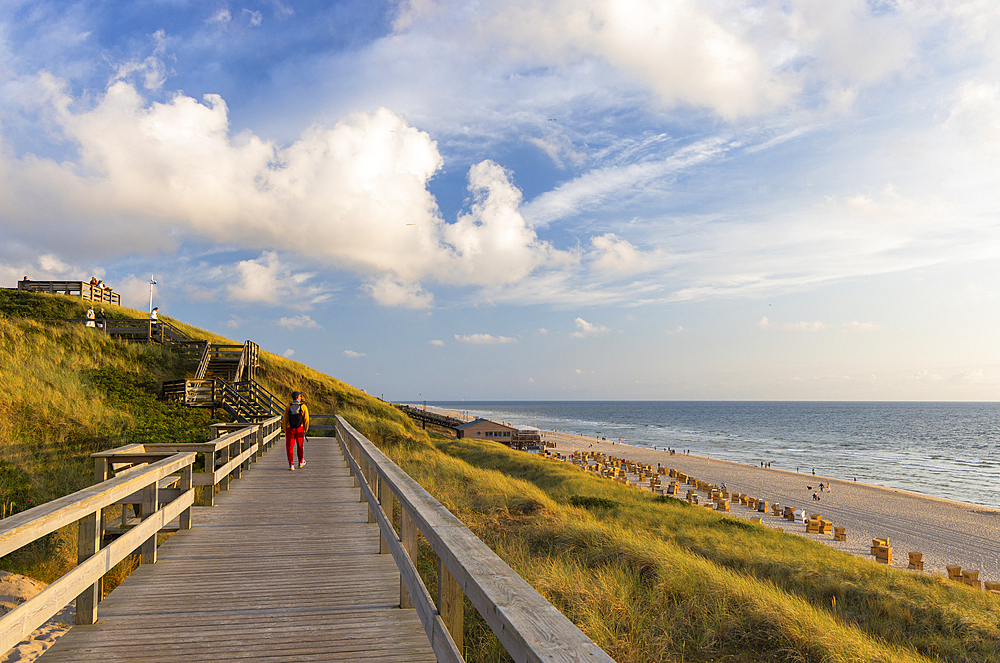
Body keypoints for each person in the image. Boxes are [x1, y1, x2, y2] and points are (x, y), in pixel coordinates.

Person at [283, 391, 309, 470]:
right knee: (300, 446)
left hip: (290, 428)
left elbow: (285, 419)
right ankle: (300, 462)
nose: (301, 398)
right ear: (298, 397)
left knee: (290, 447)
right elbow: (306, 419)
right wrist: (305, 429)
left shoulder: (288, 407)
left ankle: (291, 464)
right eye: (300, 396)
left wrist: (285, 429)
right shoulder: (303, 407)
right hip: (300, 429)